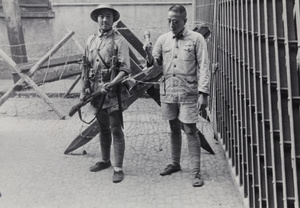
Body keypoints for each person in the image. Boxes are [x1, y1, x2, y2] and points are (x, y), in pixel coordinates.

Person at [143, 4, 210, 187]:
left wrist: (204, 94)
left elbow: (204, 66)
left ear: (185, 21)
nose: (172, 24)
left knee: (190, 130)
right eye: (169, 21)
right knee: (173, 128)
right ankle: (175, 163)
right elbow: (154, 66)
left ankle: (196, 172)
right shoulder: (163, 39)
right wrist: (148, 51)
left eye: (176, 21)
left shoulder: (196, 39)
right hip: (168, 91)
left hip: (189, 92)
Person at [80, 4, 131, 183]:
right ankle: (105, 160)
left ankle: (118, 167)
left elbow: (125, 69)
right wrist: (83, 90)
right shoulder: (91, 40)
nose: (104, 19)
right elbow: (85, 67)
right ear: (97, 19)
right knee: (103, 128)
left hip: (113, 92)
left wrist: (113, 82)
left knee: (116, 129)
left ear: (113, 19)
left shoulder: (119, 41)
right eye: (101, 16)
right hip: (96, 92)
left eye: (108, 16)